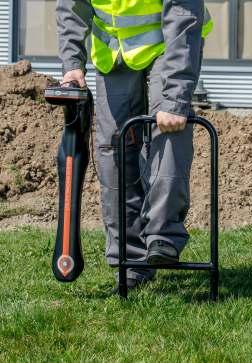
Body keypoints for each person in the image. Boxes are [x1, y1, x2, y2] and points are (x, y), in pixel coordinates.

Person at [56, 0, 212, 290]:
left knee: (169, 127)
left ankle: (162, 236)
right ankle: (131, 263)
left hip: (170, 44)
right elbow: (71, 6)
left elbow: (182, 15)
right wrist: (72, 64)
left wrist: (176, 97)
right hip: (112, 55)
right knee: (112, 151)